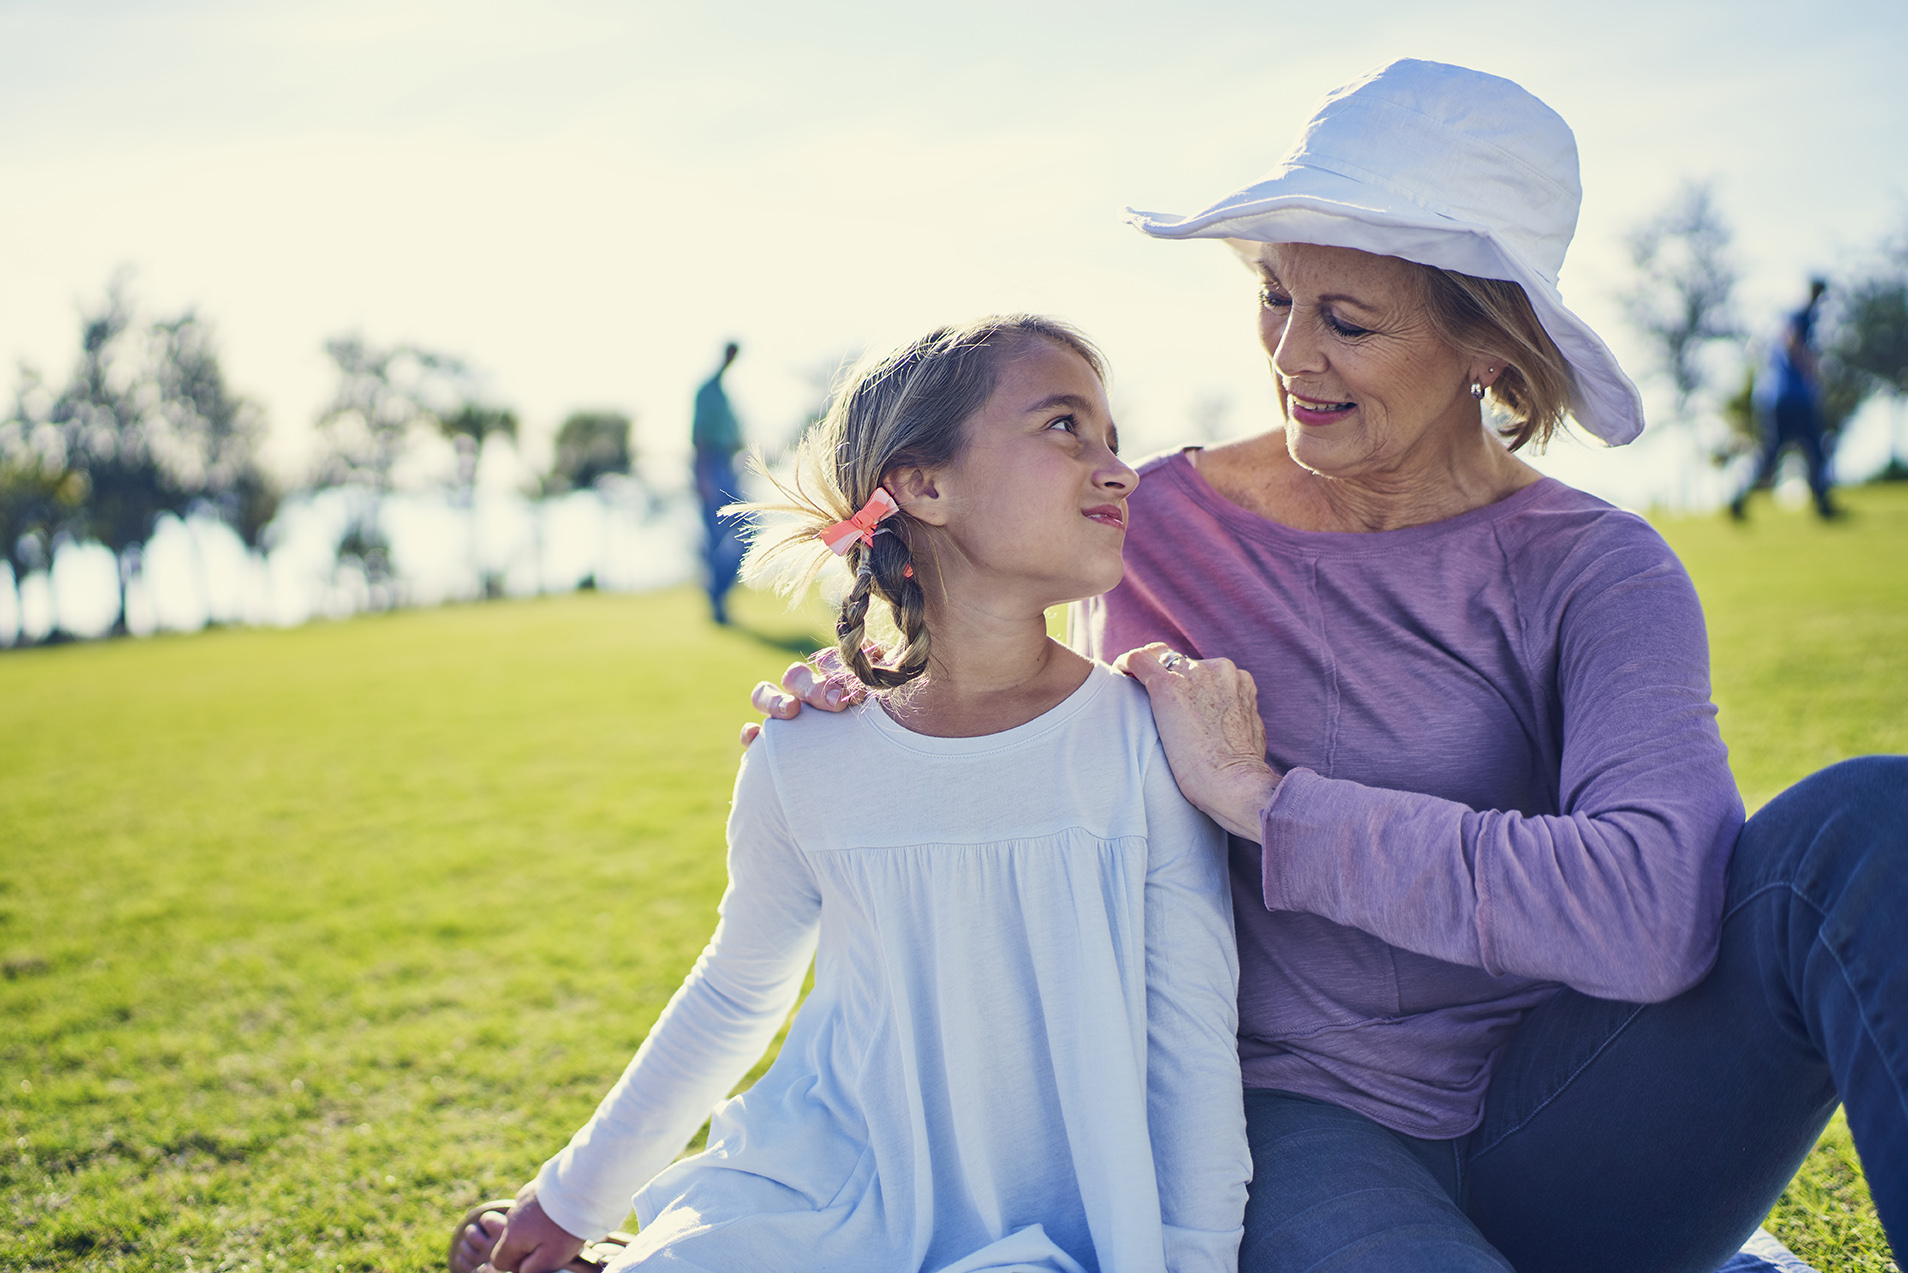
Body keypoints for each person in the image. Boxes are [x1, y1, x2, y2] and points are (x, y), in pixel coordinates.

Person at [757, 61, 1908, 1273]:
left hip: (1582, 1113)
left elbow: (1656, 911)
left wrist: (1273, 805)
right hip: (1303, 1125)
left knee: (1871, 826)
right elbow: (959, 576)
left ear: (1487, 345)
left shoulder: (1598, 567)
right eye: (1273, 296)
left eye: (1348, 321)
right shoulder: (1148, 523)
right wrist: (872, 693)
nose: (1291, 353)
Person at [453, 316, 1250, 1273]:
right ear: (924, 484)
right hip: (826, 1194)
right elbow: (737, 989)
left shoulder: (1143, 739)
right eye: (1065, 427)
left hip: (1050, 1236)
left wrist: (1196, 1259)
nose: (1119, 468)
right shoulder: (807, 750)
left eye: (1112, 439)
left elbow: (1193, 1047)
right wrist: (571, 1195)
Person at [1731, 279, 1839, 520]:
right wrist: (1810, 366)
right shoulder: (1801, 317)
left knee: (1791, 454)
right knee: (1810, 451)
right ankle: (1823, 507)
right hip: (1791, 397)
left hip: (1777, 397)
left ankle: (1739, 501)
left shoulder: (1796, 317)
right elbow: (1791, 341)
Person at [692, 341, 748, 623]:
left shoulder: (724, 394)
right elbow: (700, 435)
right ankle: (717, 602)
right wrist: (703, 477)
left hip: (726, 463)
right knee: (716, 537)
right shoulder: (707, 391)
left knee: (743, 531)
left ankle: (719, 595)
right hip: (711, 465)